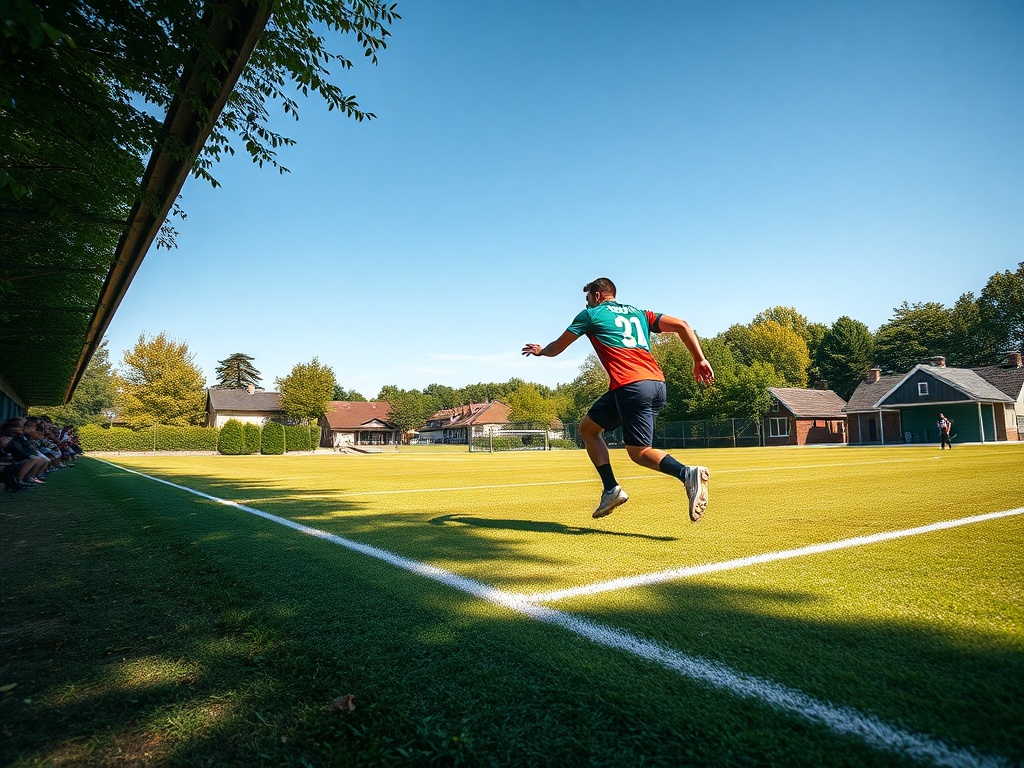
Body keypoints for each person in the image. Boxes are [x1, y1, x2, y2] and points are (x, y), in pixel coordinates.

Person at [522, 278, 715, 521]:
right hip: (654, 384)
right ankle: (611, 489)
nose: (587, 303)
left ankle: (687, 474)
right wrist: (699, 359)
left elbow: (558, 347)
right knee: (588, 429)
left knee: (639, 452)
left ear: (597, 295)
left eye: (588, 298)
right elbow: (682, 325)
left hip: (631, 386)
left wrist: (541, 351)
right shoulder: (640, 314)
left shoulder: (590, 315)